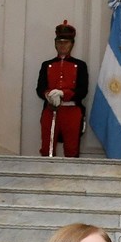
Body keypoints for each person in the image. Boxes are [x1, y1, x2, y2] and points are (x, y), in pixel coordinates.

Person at [36, 22, 89, 157]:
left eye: (66, 42)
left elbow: (82, 90)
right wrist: (48, 95)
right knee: (47, 148)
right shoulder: (47, 65)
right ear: (55, 43)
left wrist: (64, 94)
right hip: (51, 110)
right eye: (60, 42)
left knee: (72, 149)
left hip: (71, 111)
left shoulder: (80, 65)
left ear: (72, 44)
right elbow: (40, 88)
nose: (62, 45)